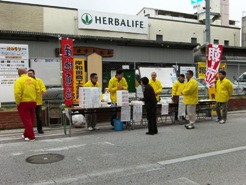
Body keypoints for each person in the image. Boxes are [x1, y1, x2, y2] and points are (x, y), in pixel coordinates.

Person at [14, 67, 40, 141]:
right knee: (30, 119)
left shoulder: (18, 81)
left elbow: (17, 93)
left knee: (26, 120)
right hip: (33, 102)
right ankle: (25, 134)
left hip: (23, 102)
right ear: (26, 72)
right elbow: (38, 91)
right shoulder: (33, 80)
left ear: (19, 73)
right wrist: (36, 101)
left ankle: (31, 137)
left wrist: (17, 102)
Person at [28, 69, 46, 134]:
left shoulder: (39, 80)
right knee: (30, 117)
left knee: (39, 116)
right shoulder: (26, 81)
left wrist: (43, 90)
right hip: (30, 101)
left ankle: (40, 129)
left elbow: (43, 87)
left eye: (31, 74)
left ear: (34, 74)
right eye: (28, 74)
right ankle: (30, 130)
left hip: (38, 102)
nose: (29, 75)